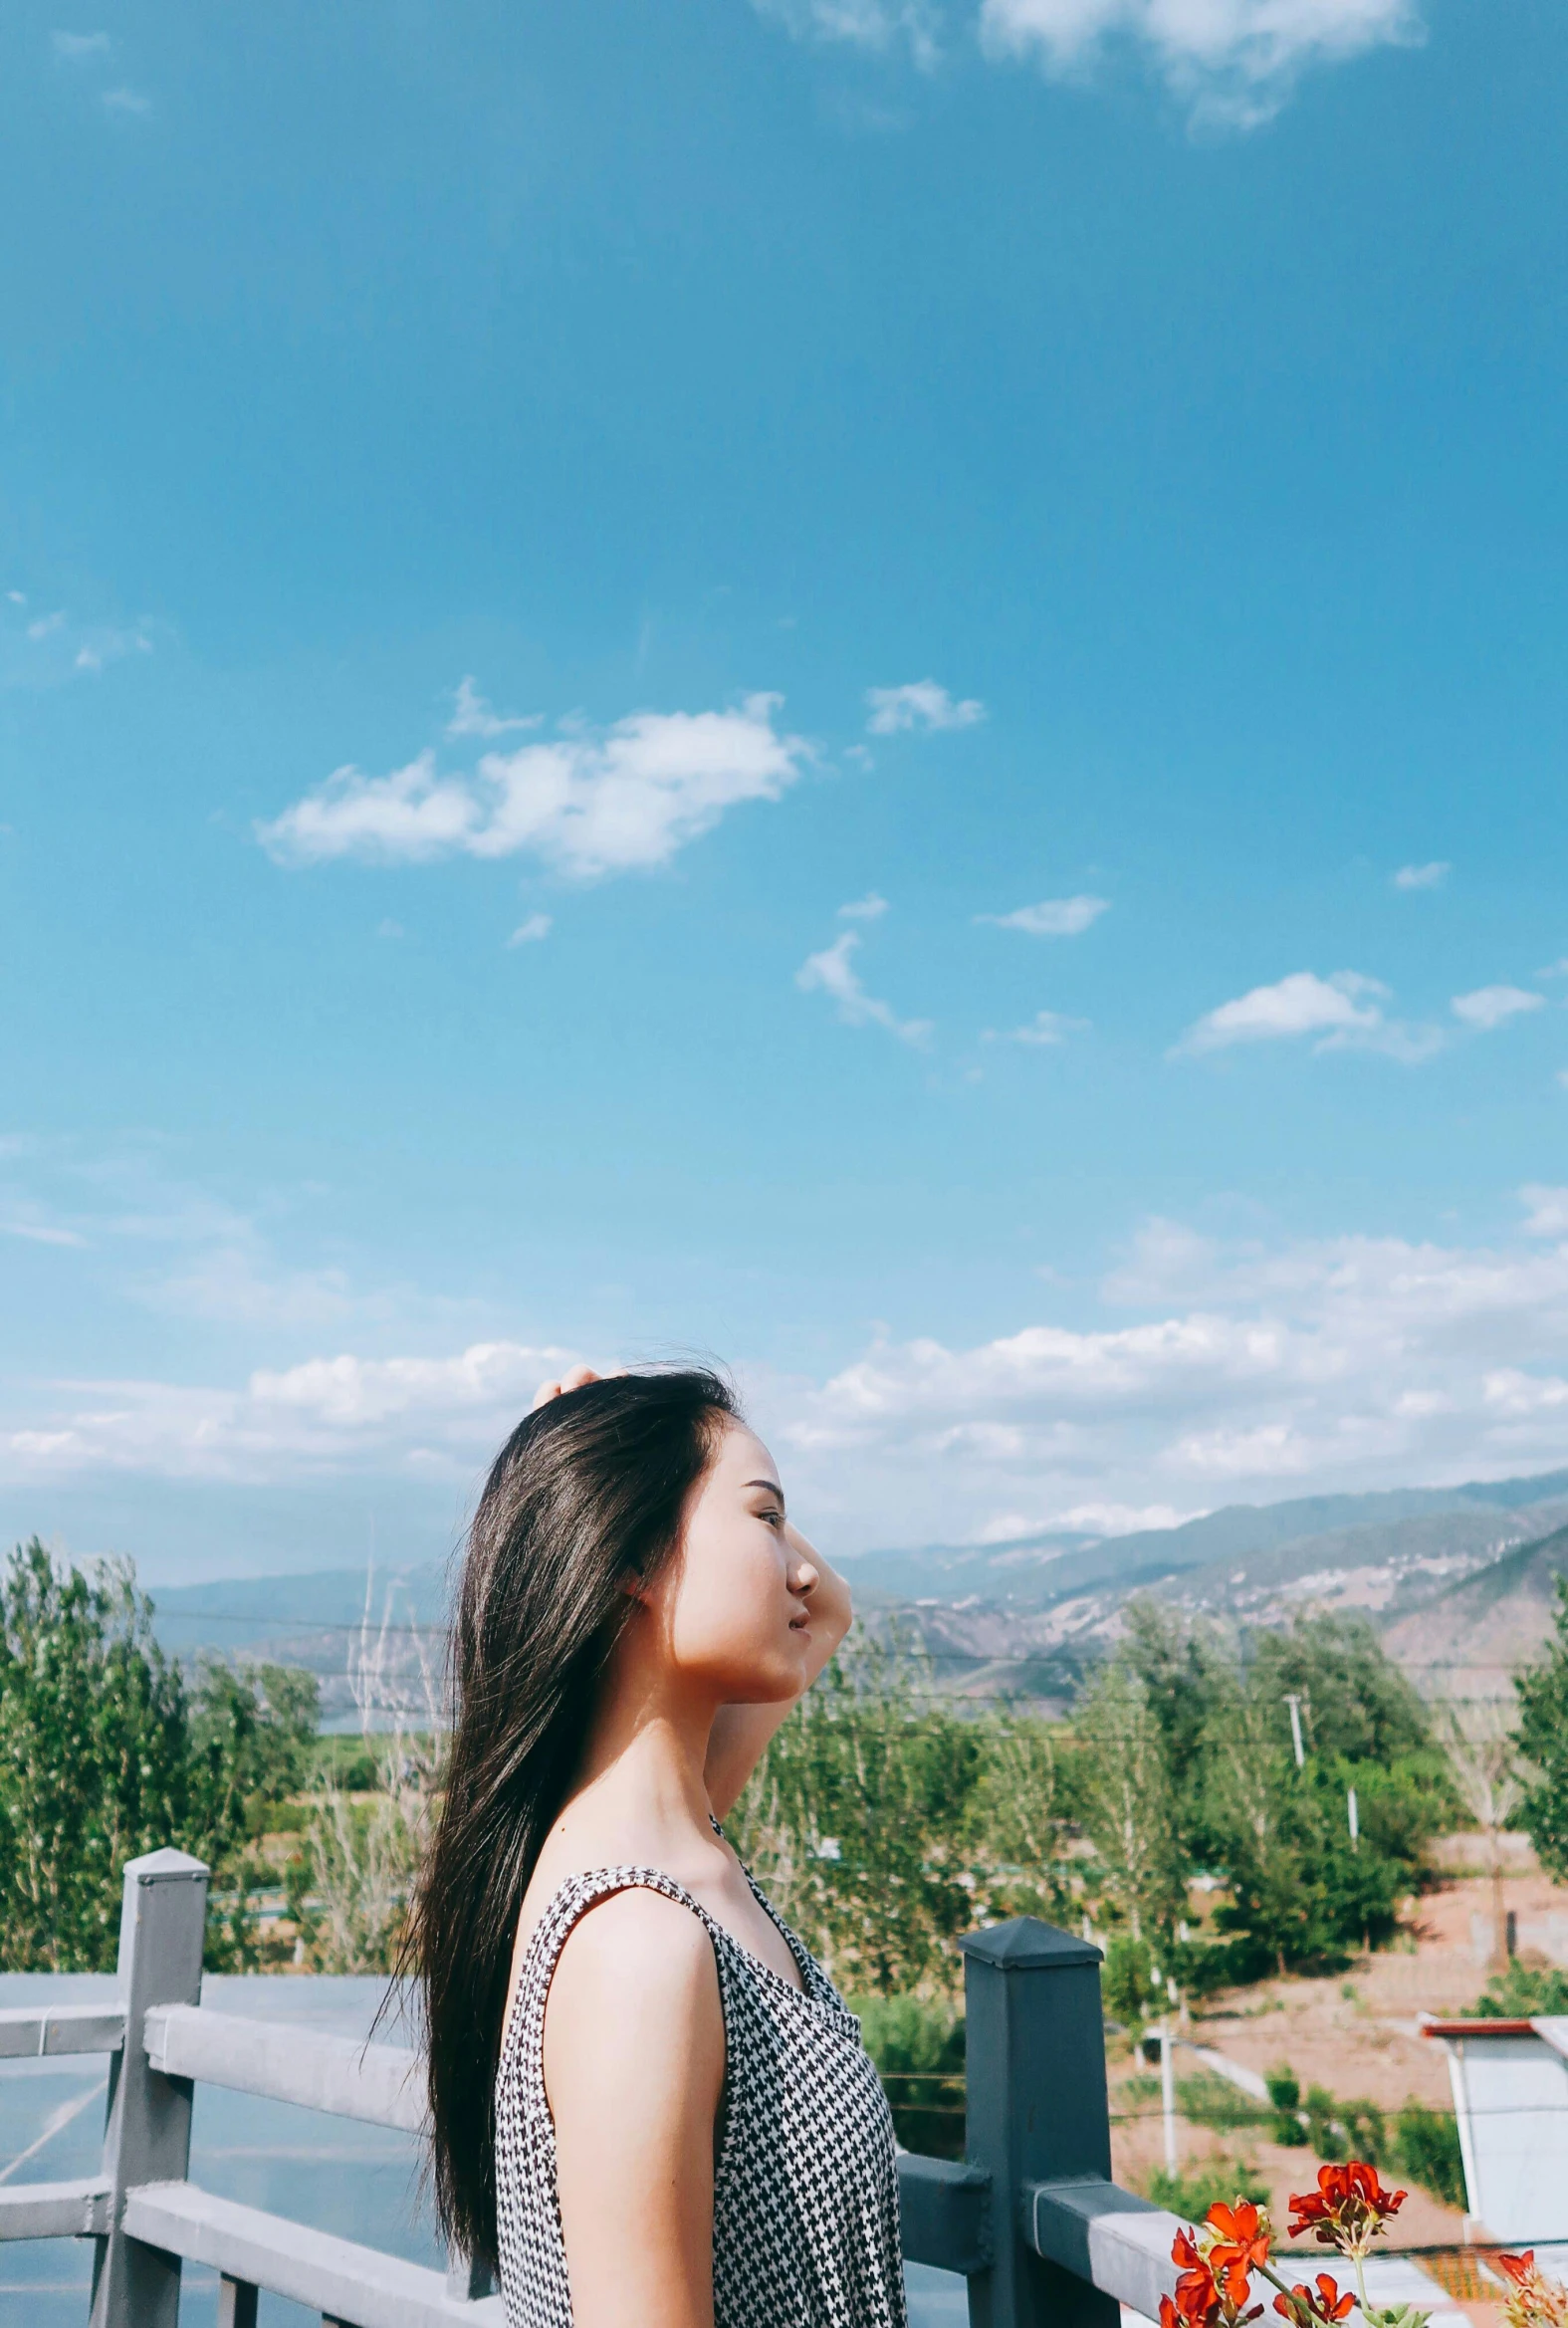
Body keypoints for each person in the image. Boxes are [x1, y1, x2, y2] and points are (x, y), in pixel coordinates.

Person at [410, 1362, 907, 2328]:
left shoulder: (674, 1852)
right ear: (631, 1553)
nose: (797, 1565)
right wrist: (605, 1473)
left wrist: (602, 1459)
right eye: (765, 1517)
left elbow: (828, 1608)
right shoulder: (639, 1940)